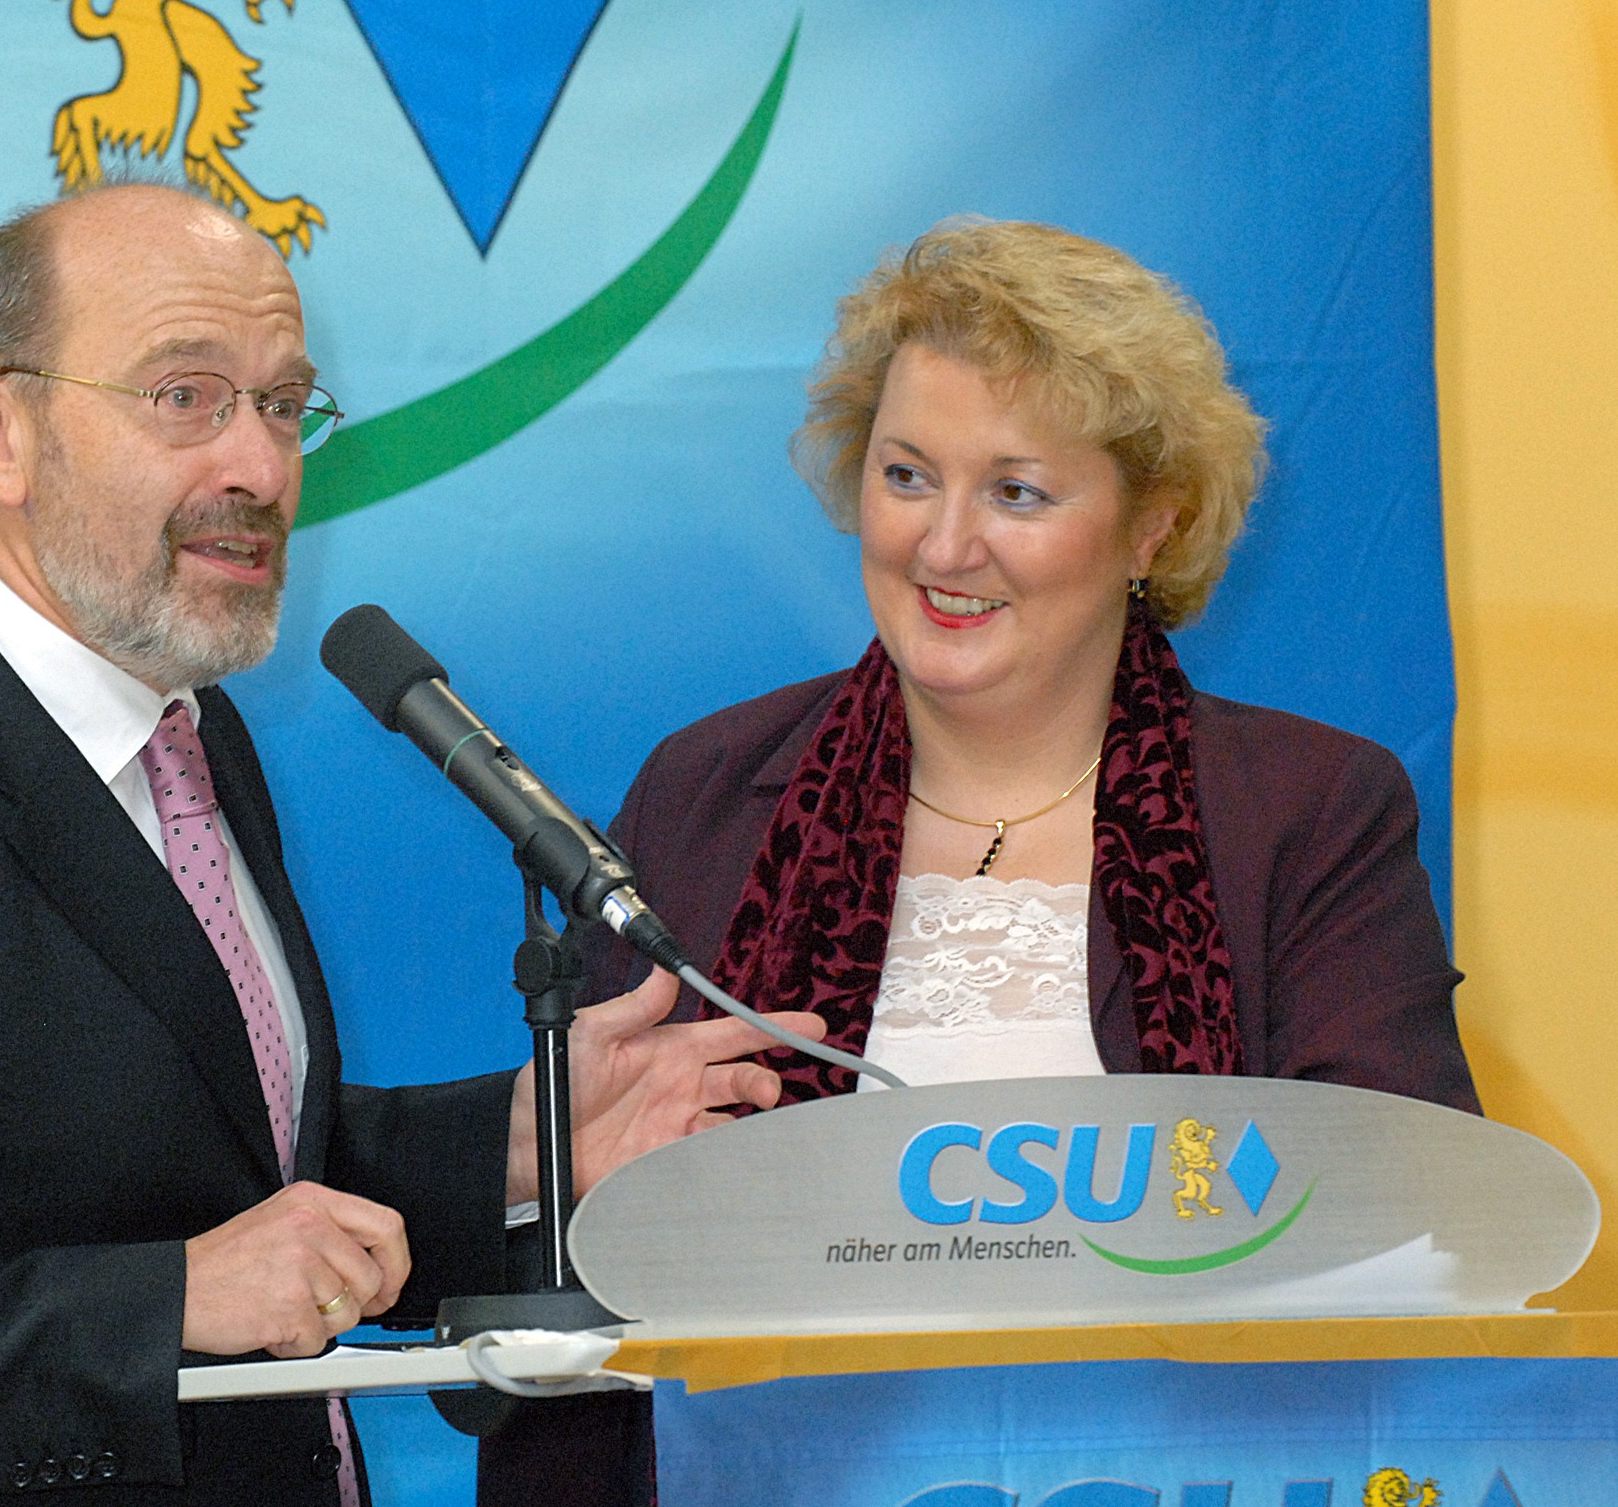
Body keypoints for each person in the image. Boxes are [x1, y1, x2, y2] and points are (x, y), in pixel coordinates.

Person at [0, 183, 824, 1507]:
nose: (262, 469)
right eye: (185, 397)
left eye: (281, 404)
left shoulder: (187, 726)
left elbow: (194, 1153)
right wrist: (165, 1302)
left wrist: (516, 1141)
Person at [477, 219, 1477, 1504]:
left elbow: (1408, 1221)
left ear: (1150, 526)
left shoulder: (1306, 810)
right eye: (906, 475)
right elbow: (580, 1250)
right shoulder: (707, 787)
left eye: (1016, 492)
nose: (943, 547)